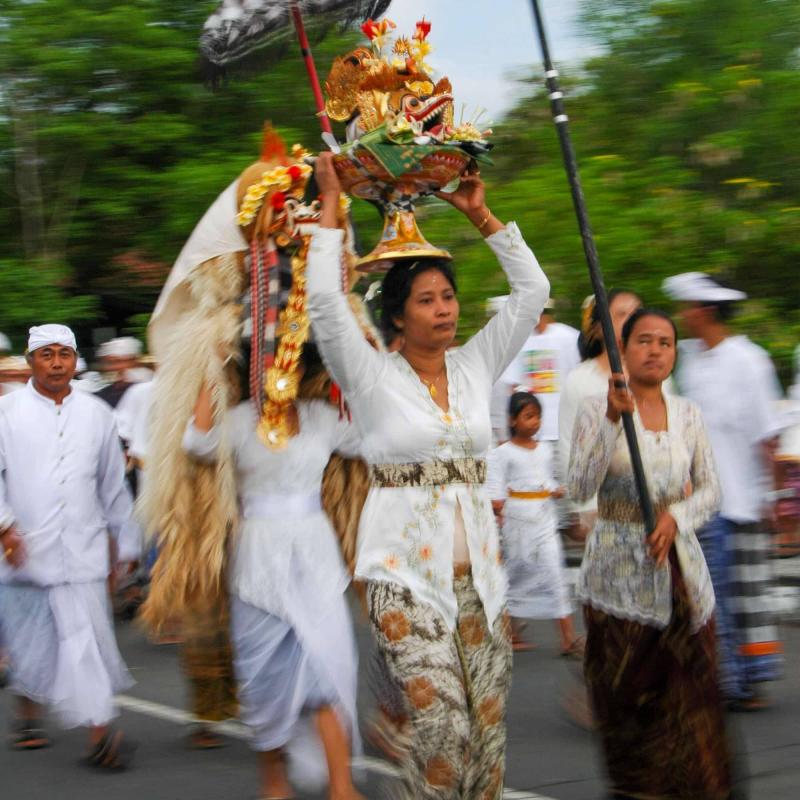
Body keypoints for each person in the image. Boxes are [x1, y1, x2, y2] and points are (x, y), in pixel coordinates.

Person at [308, 152, 550, 799]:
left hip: (482, 586)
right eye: (426, 299)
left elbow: (533, 295)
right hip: (402, 580)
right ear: (396, 315)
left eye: (448, 296)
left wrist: (482, 216)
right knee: (441, 726)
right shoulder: (372, 376)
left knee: (485, 739)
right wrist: (331, 208)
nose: (443, 309)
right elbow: (326, 308)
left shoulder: (475, 366)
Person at [182, 346, 363, 800]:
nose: (283, 367)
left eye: (294, 360)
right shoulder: (240, 420)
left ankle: (342, 788)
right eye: (270, 359)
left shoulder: (322, 417)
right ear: (253, 368)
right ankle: (274, 785)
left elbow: (365, 437)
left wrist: (358, 349)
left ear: (304, 369)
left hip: (316, 554)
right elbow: (197, 443)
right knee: (265, 676)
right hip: (258, 557)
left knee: (327, 668)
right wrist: (212, 360)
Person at [568, 307, 732, 798]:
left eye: (665, 342)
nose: (655, 350)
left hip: (678, 571)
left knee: (690, 702)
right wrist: (613, 420)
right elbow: (578, 484)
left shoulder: (688, 414)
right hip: (616, 577)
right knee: (628, 704)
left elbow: (710, 490)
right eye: (644, 340)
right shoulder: (597, 409)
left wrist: (674, 517)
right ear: (622, 348)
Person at [0, 324, 139, 768]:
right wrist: (4, 528)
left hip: (83, 548)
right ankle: (28, 718)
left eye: (65, 354)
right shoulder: (7, 412)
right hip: (23, 550)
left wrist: (125, 543)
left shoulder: (97, 414)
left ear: (76, 360)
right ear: (30, 361)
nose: (57, 363)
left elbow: (113, 487)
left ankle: (100, 735)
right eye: (47, 354)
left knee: (87, 642)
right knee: (30, 642)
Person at [664, 272, 784, 708]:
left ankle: (738, 682)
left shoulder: (749, 360)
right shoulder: (691, 358)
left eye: (689, 308)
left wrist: (770, 498)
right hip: (699, 498)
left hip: (740, 498)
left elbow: (766, 437)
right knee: (715, 595)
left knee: (740, 597)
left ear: (706, 312)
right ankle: (731, 681)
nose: (684, 315)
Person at [487, 392, 581, 655]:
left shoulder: (544, 449)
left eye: (538, 416)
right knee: (515, 576)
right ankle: (510, 634)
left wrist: (555, 489)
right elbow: (495, 490)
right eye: (528, 416)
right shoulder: (502, 454)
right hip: (517, 523)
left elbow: (545, 479)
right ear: (512, 420)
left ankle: (568, 638)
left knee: (555, 573)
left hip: (544, 519)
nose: (535, 422)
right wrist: (496, 513)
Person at [558, 290, 642, 539]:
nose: (632, 319)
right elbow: (568, 447)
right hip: (602, 508)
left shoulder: (654, 376)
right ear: (598, 329)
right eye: (622, 314)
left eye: (637, 313)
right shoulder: (580, 380)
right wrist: (583, 508)